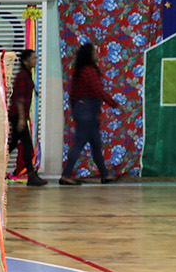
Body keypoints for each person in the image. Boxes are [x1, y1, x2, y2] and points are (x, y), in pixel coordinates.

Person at [60, 42, 119, 185]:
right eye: (94, 52)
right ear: (89, 55)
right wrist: (115, 104)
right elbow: (98, 91)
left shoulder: (82, 71)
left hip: (84, 109)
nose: (97, 54)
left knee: (96, 144)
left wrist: (76, 110)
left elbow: (73, 95)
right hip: (87, 111)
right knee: (80, 143)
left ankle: (104, 175)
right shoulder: (89, 71)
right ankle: (66, 175)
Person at [7, 48, 46, 187]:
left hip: (19, 115)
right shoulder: (23, 76)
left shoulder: (26, 74)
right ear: (25, 61)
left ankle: (31, 175)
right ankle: (31, 175)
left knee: (13, 144)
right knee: (27, 145)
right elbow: (19, 99)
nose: (36, 60)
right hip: (18, 115)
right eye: (33, 58)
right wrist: (22, 119)